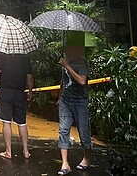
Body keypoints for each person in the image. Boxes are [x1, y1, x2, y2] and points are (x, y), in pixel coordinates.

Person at [57, 44, 93, 175]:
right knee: (63, 130)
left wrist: (67, 66)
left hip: (80, 102)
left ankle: (88, 157)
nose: (68, 51)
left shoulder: (81, 63)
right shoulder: (65, 60)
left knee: (83, 133)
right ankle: (65, 164)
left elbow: (82, 81)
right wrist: (60, 96)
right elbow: (63, 80)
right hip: (65, 101)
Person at [0, 53, 34, 159]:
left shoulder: (3, 55)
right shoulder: (25, 57)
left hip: (5, 92)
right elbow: (29, 77)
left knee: (6, 122)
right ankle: (26, 151)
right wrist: (30, 92)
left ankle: (8, 152)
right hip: (20, 93)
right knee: (22, 123)